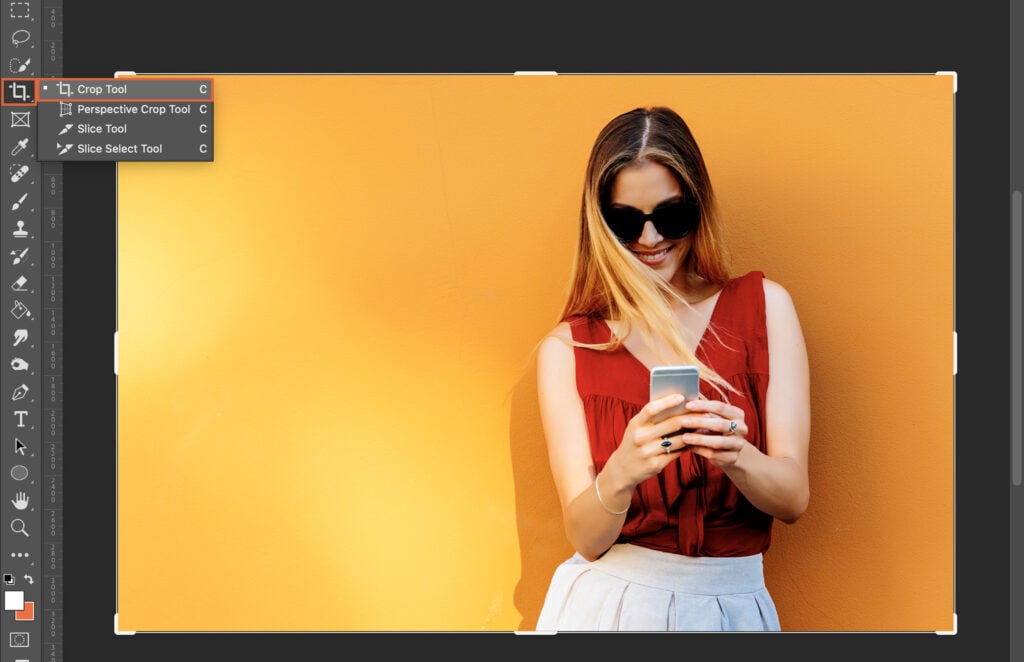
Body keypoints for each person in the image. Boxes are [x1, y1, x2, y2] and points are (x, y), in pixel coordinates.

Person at [534, 106, 810, 632]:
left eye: (671, 215)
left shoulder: (765, 308)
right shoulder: (568, 347)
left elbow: (794, 498)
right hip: (611, 610)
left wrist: (737, 456)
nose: (651, 238)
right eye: (626, 221)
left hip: (733, 607)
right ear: (599, 222)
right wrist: (623, 470)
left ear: (698, 207)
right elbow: (586, 538)